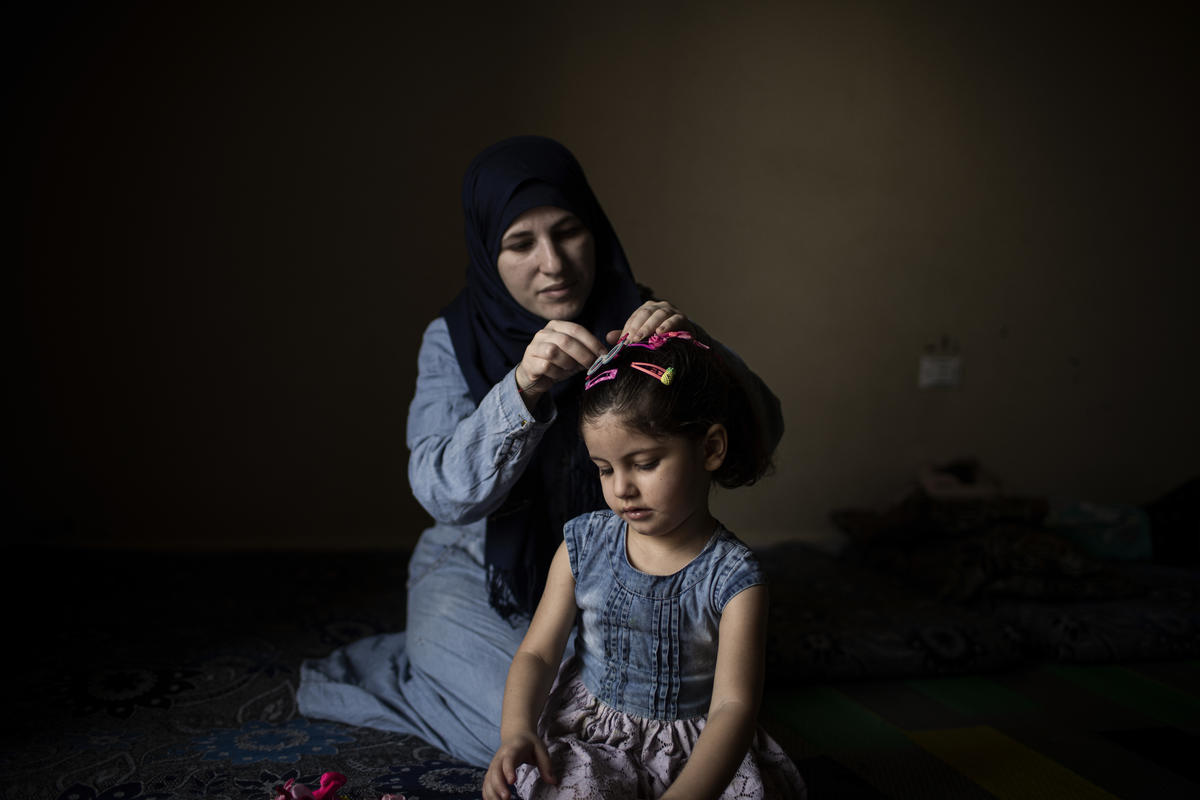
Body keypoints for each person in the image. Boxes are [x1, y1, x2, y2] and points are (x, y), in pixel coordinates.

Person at [297, 136, 783, 769]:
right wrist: (521, 390)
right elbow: (441, 493)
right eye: (520, 244)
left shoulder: (640, 319)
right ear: (485, 251)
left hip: (629, 561)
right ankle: (430, 657)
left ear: (596, 230)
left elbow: (760, 434)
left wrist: (699, 347)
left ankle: (447, 666)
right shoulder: (453, 340)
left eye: (568, 232)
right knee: (543, 739)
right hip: (480, 572)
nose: (553, 264)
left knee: (659, 724)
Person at [483, 332, 804, 800]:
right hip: (592, 738)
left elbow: (734, 707)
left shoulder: (734, 579)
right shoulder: (583, 545)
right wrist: (515, 732)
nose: (622, 489)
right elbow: (538, 653)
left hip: (697, 753)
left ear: (711, 449)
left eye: (645, 463)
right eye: (605, 469)